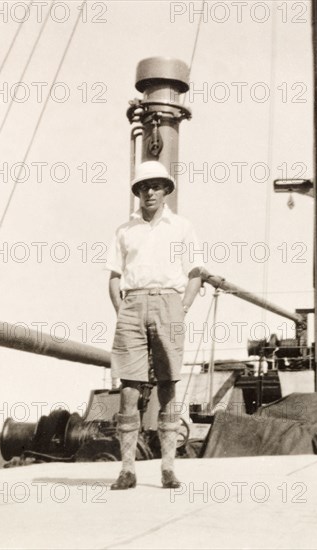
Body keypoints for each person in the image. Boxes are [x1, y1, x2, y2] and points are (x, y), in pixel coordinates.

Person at [106, 160, 202, 490]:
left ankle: (168, 468)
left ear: (165, 191)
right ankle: (128, 470)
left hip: (168, 303)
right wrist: (123, 309)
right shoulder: (124, 230)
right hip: (132, 304)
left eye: (156, 186)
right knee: (129, 388)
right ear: (137, 192)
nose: (149, 192)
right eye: (144, 187)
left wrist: (183, 306)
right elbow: (115, 277)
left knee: (168, 385)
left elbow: (195, 272)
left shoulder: (182, 227)